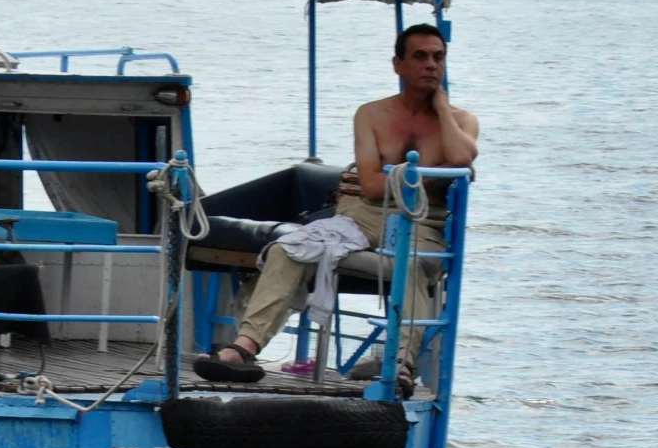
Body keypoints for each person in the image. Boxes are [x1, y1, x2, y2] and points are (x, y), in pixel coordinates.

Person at [200, 25, 479, 385]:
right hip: (361, 216)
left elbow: (462, 156)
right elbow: (374, 186)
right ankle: (243, 348)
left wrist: (440, 107)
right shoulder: (372, 115)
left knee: (410, 266)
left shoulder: (460, 120)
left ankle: (401, 365)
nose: (431, 65)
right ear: (398, 64)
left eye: (438, 57)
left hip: (423, 222)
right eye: (420, 56)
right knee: (290, 248)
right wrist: (437, 173)